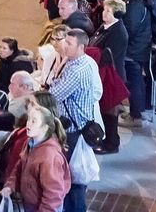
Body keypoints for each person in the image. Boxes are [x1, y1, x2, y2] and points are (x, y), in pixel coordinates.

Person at [47, 28, 102, 212]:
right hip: (77, 126)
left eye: (69, 43)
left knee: (73, 176)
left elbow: (54, 93)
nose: (65, 46)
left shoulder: (77, 70)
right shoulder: (81, 62)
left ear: (81, 46)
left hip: (73, 132)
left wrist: (53, 83)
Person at [0, 102, 71, 212]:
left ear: (45, 128)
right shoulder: (30, 143)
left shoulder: (49, 156)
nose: (28, 124)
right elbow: (19, 166)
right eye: (29, 119)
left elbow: (53, 194)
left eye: (34, 121)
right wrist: (10, 185)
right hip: (30, 204)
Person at [91, 0, 129, 154]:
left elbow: (106, 56)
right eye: (104, 9)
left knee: (110, 112)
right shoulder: (106, 26)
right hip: (103, 75)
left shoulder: (118, 32)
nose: (104, 13)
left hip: (111, 77)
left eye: (108, 11)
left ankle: (112, 144)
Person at [118, 0, 152, 128]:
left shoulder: (135, 5)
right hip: (138, 48)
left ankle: (136, 116)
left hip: (134, 51)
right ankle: (135, 111)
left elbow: (129, 30)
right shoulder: (135, 1)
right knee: (135, 81)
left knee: (134, 82)